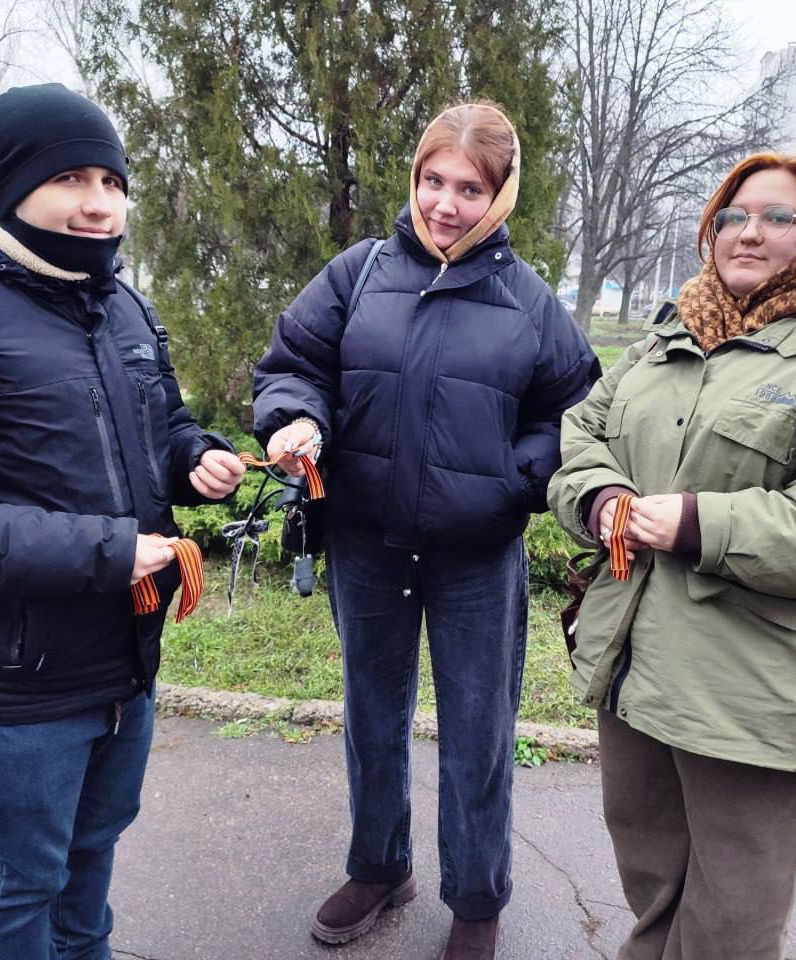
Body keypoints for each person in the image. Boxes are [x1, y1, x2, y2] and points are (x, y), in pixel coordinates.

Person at [0, 83, 245, 959]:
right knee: (22, 877)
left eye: (113, 180)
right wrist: (113, 550)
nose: (100, 204)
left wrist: (194, 457)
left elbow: (161, 426)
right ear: (13, 185)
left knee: (93, 850)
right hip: (16, 679)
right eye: (72, 177)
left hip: (125, 658)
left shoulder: (125, 310)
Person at [546, 152, 796, 960]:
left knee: (731, 924)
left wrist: (697, 524)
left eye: (776, 218)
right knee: (653, 888)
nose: (747, 233)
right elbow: (580, 434)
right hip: (638, 671)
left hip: (751, 697)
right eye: (733, 216)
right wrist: (602, 500)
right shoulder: (663, 344)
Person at [253, 102, 598, 959]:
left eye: (469, 188)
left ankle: (476, 900)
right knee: (372, 717)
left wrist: (506, 485)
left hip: (477, 558)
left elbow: (577, 415)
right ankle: (380, 866)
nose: (444, 204)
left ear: (501, 194)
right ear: (414, 177)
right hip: (366, 544)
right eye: (432, 181)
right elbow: (294, 365)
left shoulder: (527, 302)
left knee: (479, 729)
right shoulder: (359, 274)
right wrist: (296, 421)